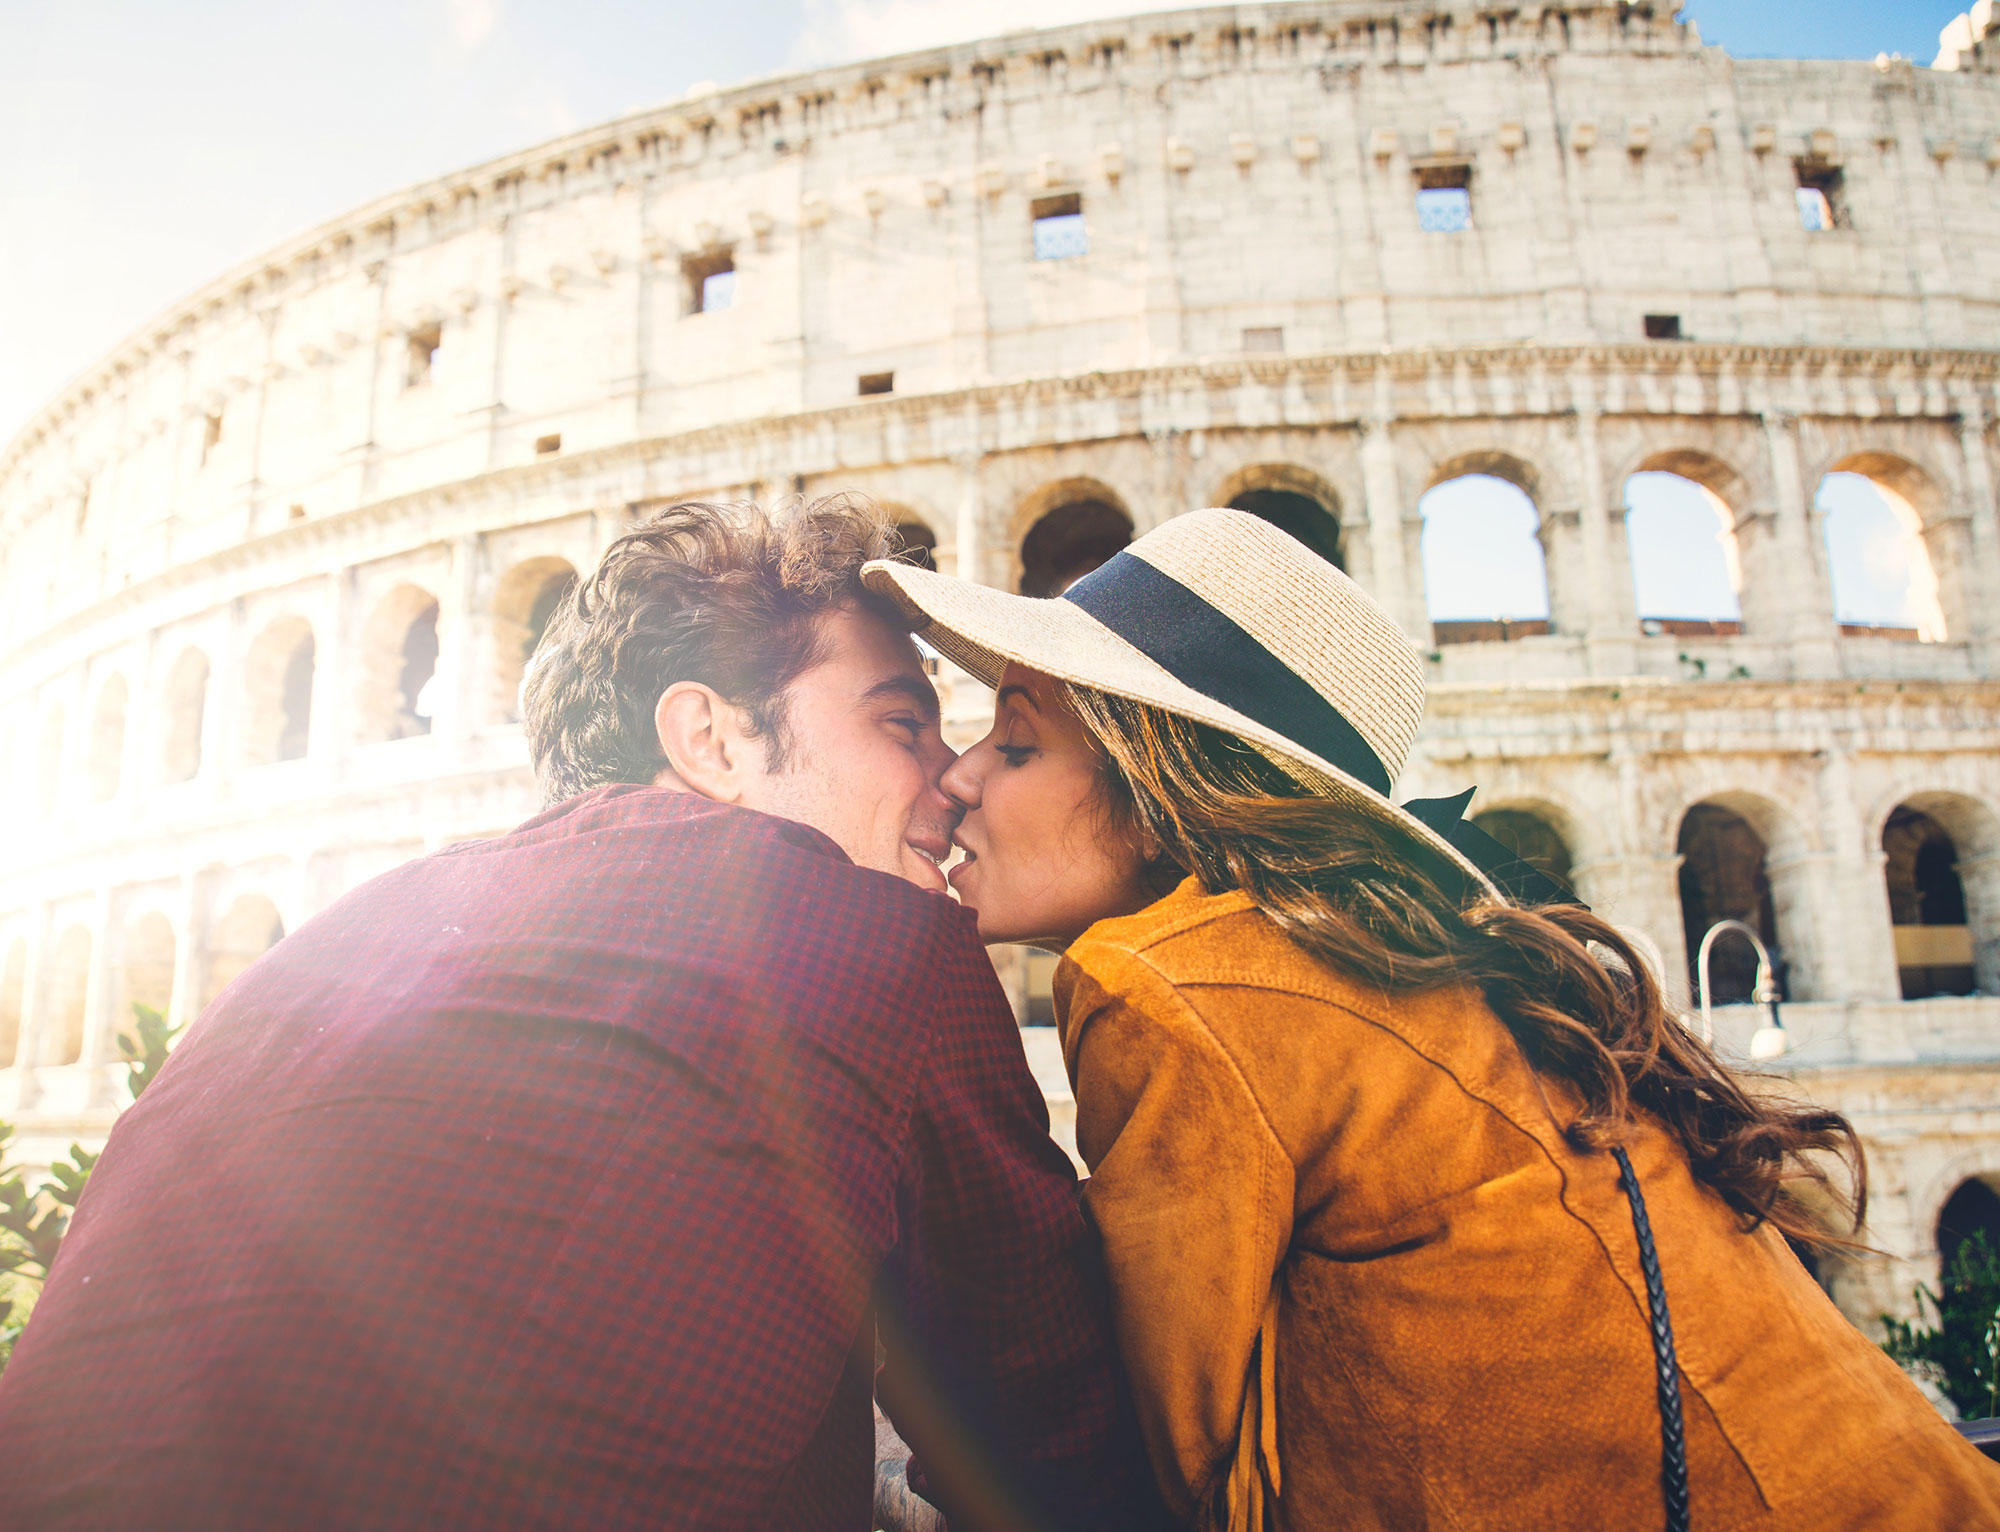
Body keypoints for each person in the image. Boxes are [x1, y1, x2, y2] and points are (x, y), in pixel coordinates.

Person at [0, 498, 1158, 1532]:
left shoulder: (332, 939)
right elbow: (1050, 1454)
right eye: (903, 723)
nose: (951, 774)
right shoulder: (876, 939)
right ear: (710, 738)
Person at [860, 507, 2000, 1532]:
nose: (956, 778)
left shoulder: (1165, 979)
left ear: (1164, 799)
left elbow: (1158, 1463)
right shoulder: (1369, 948)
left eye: (1013, 743)